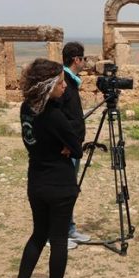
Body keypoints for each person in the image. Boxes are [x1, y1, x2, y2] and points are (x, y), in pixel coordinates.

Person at [8, 59, 81, 278]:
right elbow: (77, 148)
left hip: (36, 180)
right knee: (58, 239)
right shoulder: (54, 115)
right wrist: (66, 147)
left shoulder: (25, 108)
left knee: (39, 233)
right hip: (59, 183)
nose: (64, 87)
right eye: (60, 83)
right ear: (48, 86)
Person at [59, 42, 90, 249]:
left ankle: (69, 229)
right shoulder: (63, 83)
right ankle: (58, 235)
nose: (85, 62)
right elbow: (59, 117)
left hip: (73, 145)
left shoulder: (70, 81)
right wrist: (65, 142)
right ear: (76, 59)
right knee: (64, 190)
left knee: (70, 188)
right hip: (66, 147)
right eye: (83, 59)